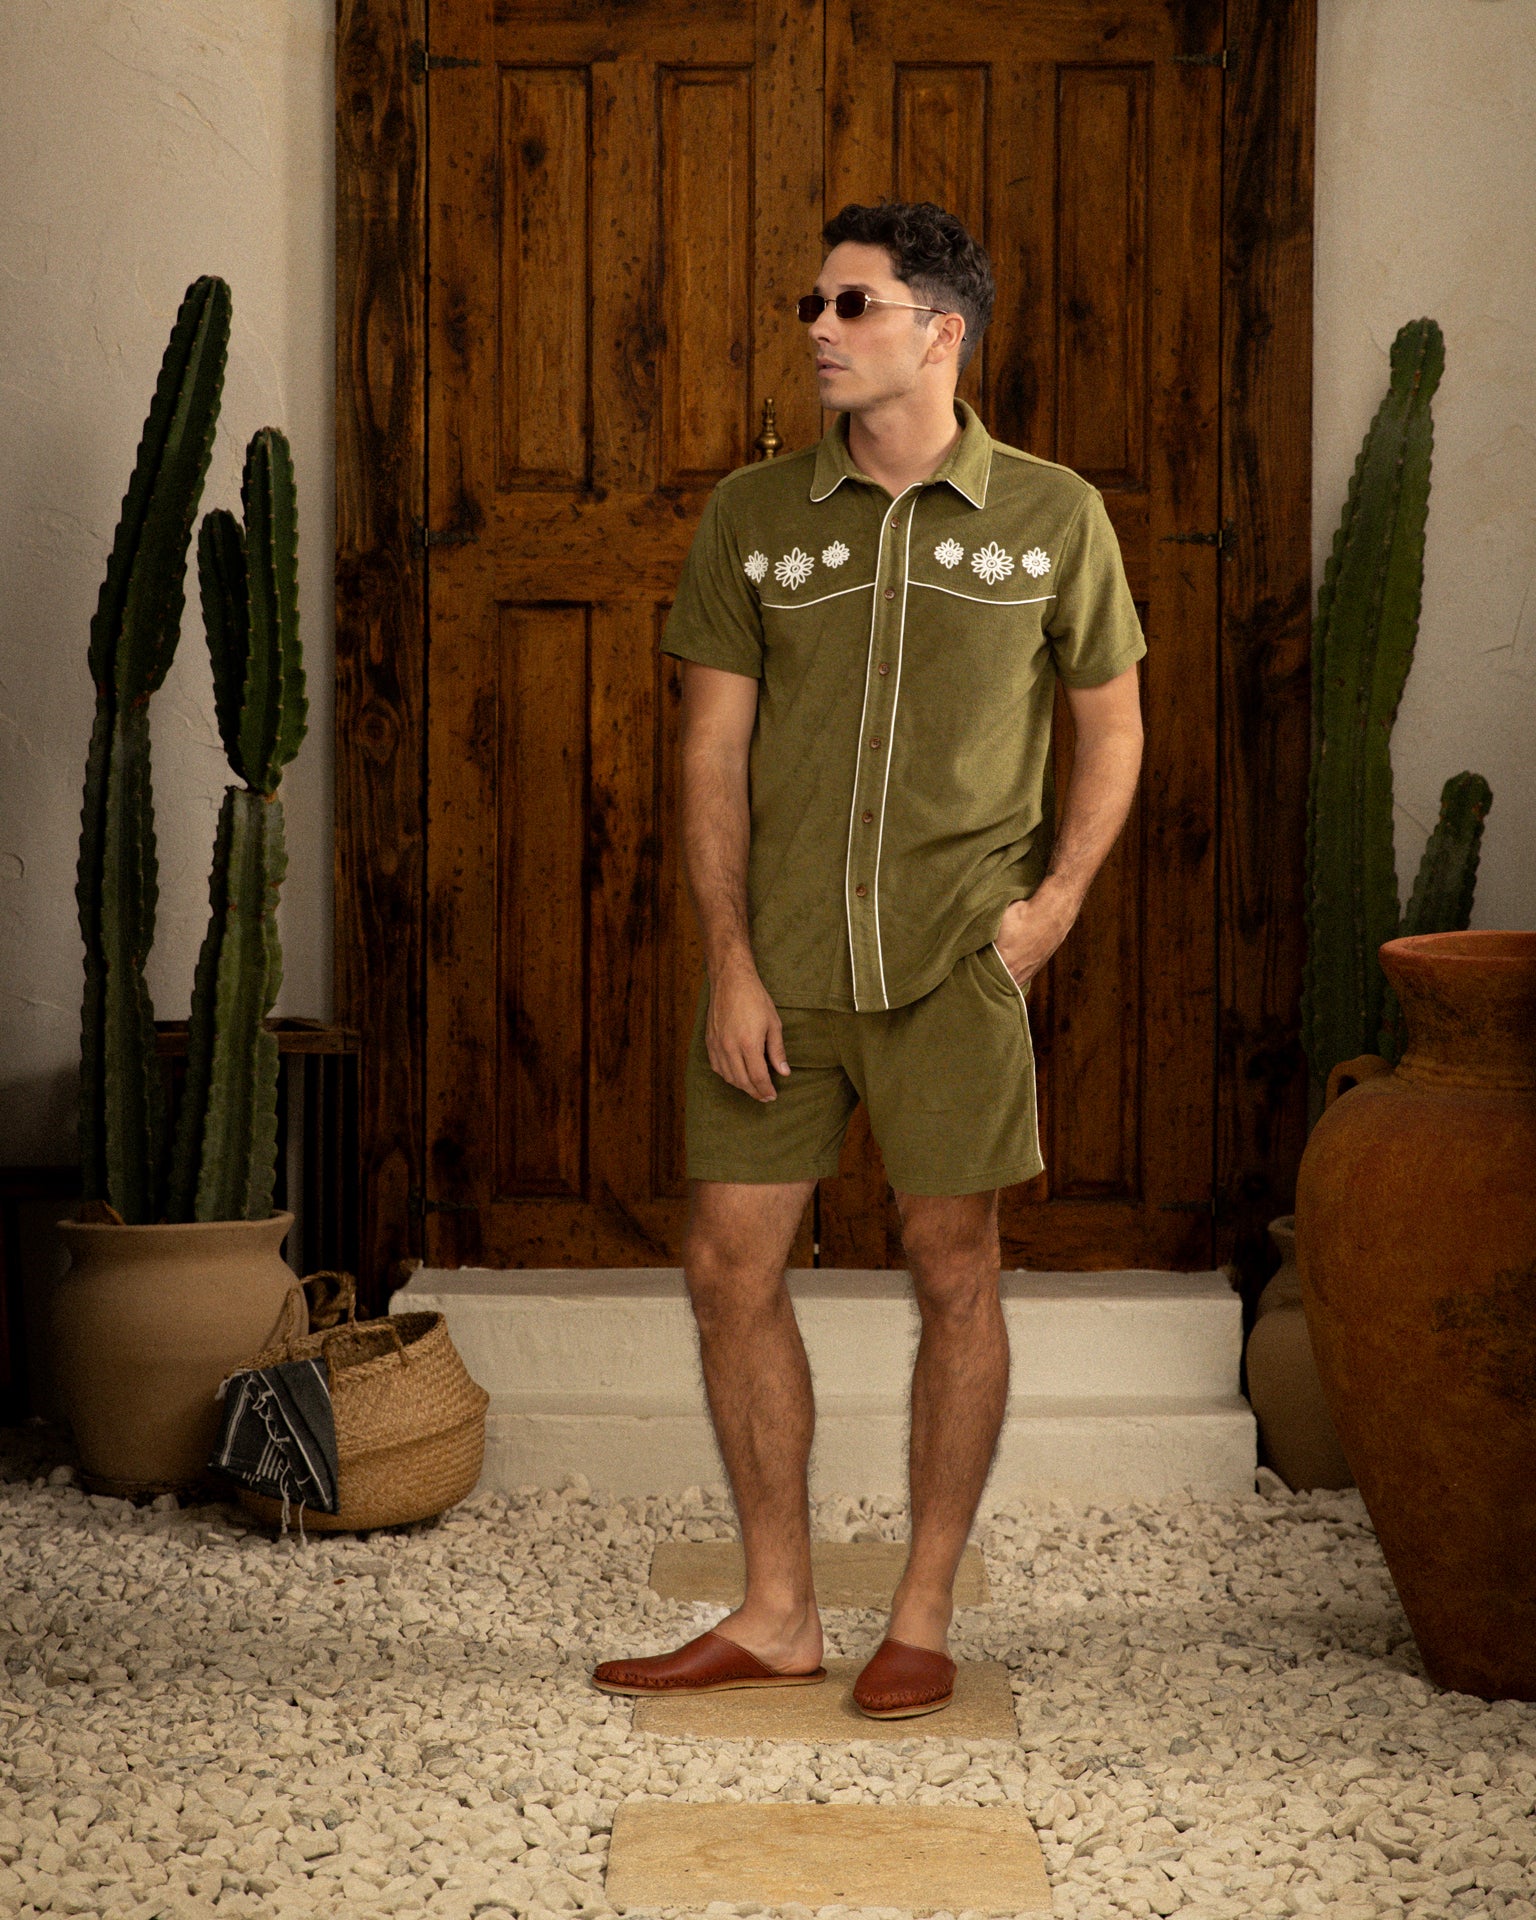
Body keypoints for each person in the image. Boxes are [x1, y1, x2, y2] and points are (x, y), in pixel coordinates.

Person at [591, 200, 1145, 1718]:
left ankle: (920, 1609)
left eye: (851, 305)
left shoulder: (1053, 516)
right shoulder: (753, 517)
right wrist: (729, 959)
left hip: (956, 967)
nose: (818, 330)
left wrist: (1054, 907)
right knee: (728, 1265)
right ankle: (776, 1611)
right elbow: (713, 749)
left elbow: (1114, 724)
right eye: (813, 305)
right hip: (781, 965)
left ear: (938, 331)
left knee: (954, 1267)